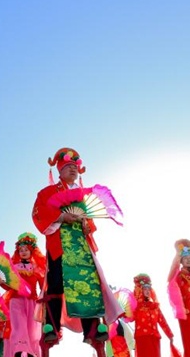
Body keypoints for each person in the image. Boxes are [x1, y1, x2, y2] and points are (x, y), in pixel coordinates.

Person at [31, 147, 122, 345]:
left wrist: (85, 224)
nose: (72, 169)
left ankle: (92, 330)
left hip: (81, 248)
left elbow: (90, 224)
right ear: (59, 170)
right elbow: (38, 214)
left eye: (75, 166)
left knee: (88, 284)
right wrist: (62, 216)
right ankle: (51, 329)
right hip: (60, 245)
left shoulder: (83, 197)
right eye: (68, 166)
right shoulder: (47, 193)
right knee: (56, 283)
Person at [0, 233, 45, 357]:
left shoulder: (37, 267)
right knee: (19, 329)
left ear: (31, 251)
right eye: (21, 249)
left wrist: (45, 300)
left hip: (32, 302)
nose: (23, 252)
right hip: (16, 301)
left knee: (31, 333)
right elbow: (7, 285)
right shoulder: (14, 267)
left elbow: (43, 285)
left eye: (26, 249)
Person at [125, 275, 175, 357]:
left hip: (154, 337)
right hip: (142, 337)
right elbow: (129, 318)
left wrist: (170, 334)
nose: (147, 291)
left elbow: (162, 321)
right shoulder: (136, 306)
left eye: (149, 288)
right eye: (144, 289)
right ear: (140, 290)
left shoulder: (155, 307)